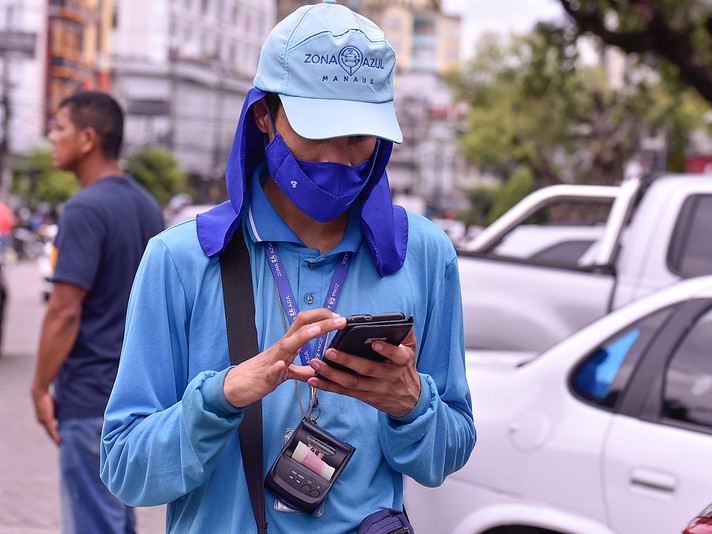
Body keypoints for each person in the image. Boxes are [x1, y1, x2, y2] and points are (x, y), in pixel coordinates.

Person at [100, 1, 476, 532]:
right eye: (319, 130)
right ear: (264, 117)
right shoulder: (181, 259)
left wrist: (411, 406)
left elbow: (449, 452)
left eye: (360, 136)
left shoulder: (423, 255)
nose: (342, 159)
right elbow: (124, 471)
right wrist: (220, 397)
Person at [31, 91, 164, 534]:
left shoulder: (84, 208)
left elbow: (65, 310)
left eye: (59, 128)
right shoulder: (147, 206)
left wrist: (39, 387)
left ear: (87, 138)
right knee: (116, 520)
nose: (51, 136)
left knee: (94, 525)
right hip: (133, 395)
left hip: (88, 396)